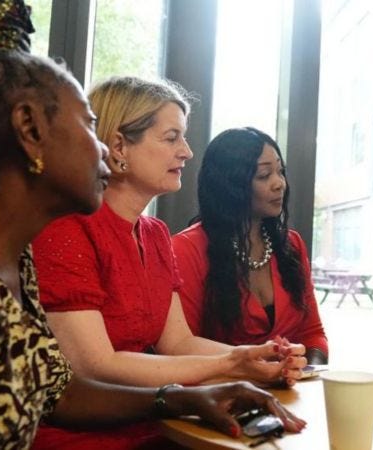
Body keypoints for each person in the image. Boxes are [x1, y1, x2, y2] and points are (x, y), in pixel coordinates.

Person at [0, 1, 305, 448]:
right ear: (30, 129)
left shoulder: (9, 256)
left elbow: (56, 389)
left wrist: (181, 399)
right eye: (88, 123)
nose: (103, 149)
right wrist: (222, 370)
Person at [30, 79, 306, 449]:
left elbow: (177, 341)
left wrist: (256, 357)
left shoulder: (156, 233)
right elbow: (96, 366)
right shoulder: (66, 229)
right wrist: (232, 364)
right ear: (118, 146)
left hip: (157, 425)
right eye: (171, 137)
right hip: (86, 439)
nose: (187, 152)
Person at [172, 127, 328, 365]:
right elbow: (181, 347)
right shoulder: (186, 249)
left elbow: (313, 334)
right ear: (231, 185)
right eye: (264, 175)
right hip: (219, 394)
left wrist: (309, 370)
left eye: (280, 171)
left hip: (289, 392)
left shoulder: (291, 244)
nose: (279, 184)